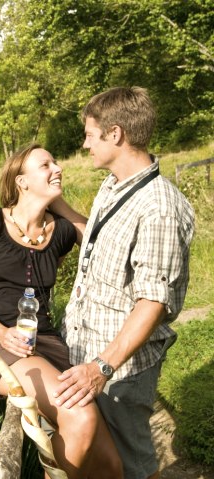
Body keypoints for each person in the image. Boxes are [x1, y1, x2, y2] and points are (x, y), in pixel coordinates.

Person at [0, 144, 122, 479]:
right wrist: (2, 332)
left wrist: (57, 201)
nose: (57, 167)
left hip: (45, 344)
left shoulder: (59, 231)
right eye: (45, 165)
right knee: (82, 416)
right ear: (22, 181)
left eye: (56, 162)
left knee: (110, 467)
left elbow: (99, 246)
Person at [52, 87, 195, 479]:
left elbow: (153, 302)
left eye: (89, 134)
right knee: (100, 461)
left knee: (131, 463)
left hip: (121, 369)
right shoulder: (114, 185)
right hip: (86, 353)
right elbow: (97, 239)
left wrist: (102, 367)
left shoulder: (159, 208)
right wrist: (57, 205)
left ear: (115, 134)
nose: (84, 144)